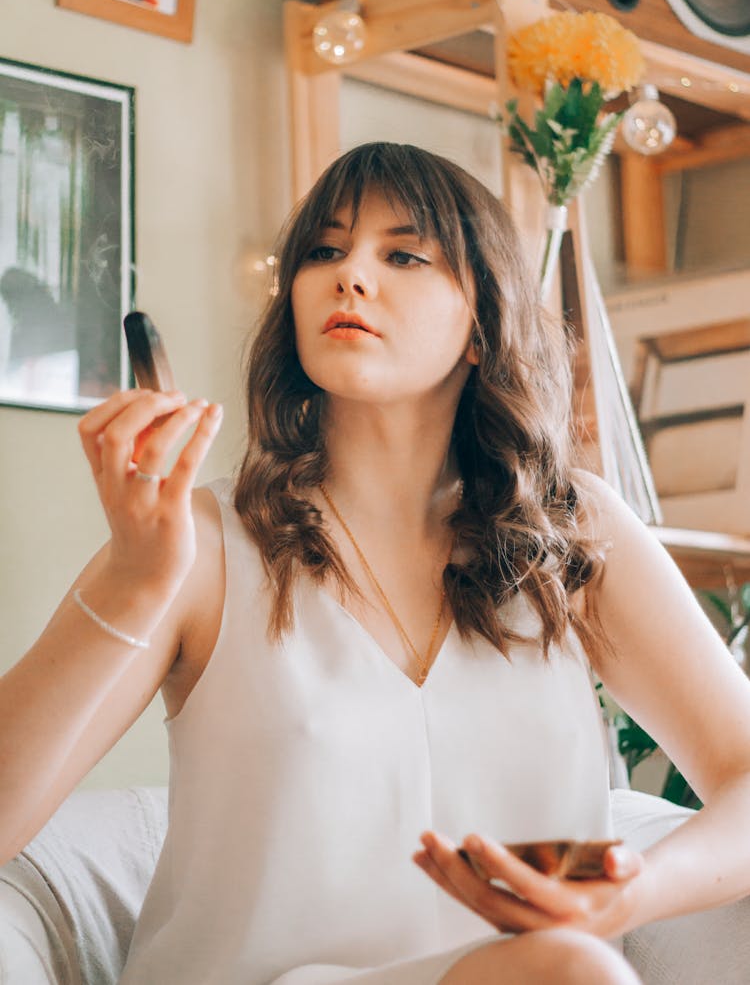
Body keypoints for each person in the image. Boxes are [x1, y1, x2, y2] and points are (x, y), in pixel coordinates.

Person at [2, 141, 750, 984]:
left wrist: (632, 894)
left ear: (482, 325)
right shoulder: (205, 541)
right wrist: (136, 581)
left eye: (403, 254)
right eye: (325, 251)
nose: (349, 275)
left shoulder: (573, 536)